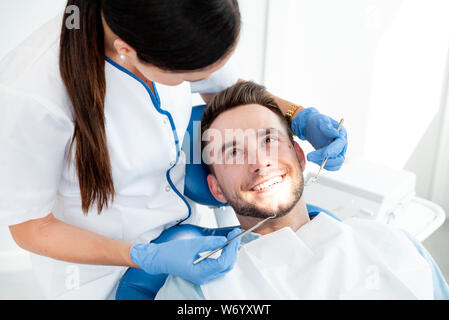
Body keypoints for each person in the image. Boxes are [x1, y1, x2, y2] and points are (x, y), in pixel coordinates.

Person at [0, 0, 347, 299]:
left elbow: (224, 87)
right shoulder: (32, 98)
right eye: (186, 77)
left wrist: (297, 116)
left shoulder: (178, 23)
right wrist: (143, 257)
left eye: (270, 141)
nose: (260, 162)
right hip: (102, 273)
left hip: (184, 238)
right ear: (127, 50)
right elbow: (31, 227)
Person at [155, 81, 449, 300]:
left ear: (299, 154)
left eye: (269, 140)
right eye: (233, 152)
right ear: (216, 188)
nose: (260, 162)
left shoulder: (394, 245)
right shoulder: (199, 289)